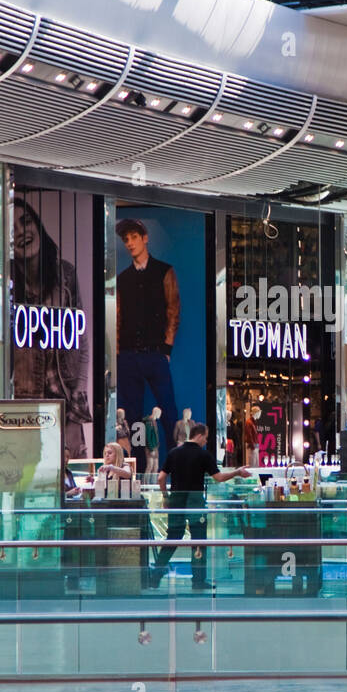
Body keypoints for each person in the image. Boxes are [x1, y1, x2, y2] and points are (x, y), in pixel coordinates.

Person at [12, 196, 93, 457]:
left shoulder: (65, 274)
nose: (22, 232)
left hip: (65, 404)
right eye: (12, 230)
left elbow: (81, 343)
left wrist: (78, 400)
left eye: (26, 221)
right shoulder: (7, 284)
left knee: (73, 478)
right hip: (25, 408)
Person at [149, 424, 252, 590]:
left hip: (177, 501)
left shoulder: (174, 453)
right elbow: (218, 477)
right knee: (198, 541)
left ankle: (155, 575)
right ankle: (198, 581)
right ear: (199, 435)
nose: (206, 440)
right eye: (206, 437)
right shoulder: (204, 455)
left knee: (172, 538)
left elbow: (161, 478)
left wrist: (166, 497)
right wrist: (237, 472)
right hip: (196, 502)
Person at [116, 217, 180, 470]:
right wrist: (120, 350)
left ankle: (176, 465)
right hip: (129, 354)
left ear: (145, 238)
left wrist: (166, 347)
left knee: (169, 412)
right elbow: (118, 316)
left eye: (133, 237)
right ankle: (139, 469)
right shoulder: (122, 278)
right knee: (132, 416)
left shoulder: (164, 271)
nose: (130, 243)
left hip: (155, 352)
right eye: (126, 239)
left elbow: (173, 309)